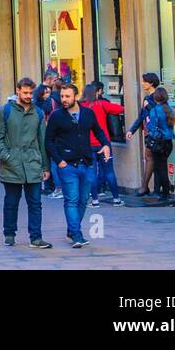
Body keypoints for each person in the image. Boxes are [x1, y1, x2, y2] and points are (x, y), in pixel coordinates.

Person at [44, 82, 111, 248]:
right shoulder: (56, 115)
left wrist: (106, 144)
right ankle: (76, 234)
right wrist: (60, 161)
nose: (64, 99)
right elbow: (48, 140)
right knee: (71, 200)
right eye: (62, 96)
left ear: (75, 96)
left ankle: (72, 229)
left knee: (83, 200)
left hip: (87, 163)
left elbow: (99, 131)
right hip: (68, 166)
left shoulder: (88, 113)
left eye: (67, 96)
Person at [0, 78, 52, 249]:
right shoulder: (5, 111)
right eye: (25, 92)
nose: (28, 96)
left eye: (31, 93)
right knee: (11, 202)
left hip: (33, 163)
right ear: (18, 90)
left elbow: (42, 141)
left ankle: (36, 238)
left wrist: (45, 167)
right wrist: (6, 156)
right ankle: (9, 234)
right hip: (12, 164)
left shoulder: (38, 113)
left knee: (35, 203)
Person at [81, 82, 125, 206]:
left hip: (88, 145)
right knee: (109, 171)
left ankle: (95, 201)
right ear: (95, 94)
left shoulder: (80, 107)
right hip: (103, 144)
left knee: (91, 173)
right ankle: (116, 199)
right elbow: (120, 109)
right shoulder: (102, 104)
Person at [128, 72, 161, 196]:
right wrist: (132, 130)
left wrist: (149, 106)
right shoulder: (147, 98)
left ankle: (145, 186)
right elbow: (142, 116)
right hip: (148, 131)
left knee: (150, 157)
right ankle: (151, 186)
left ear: (151, 83)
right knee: (151, 158)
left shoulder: (156, 96)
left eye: (144, 81)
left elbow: (160, 111)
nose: (142, 83)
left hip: (155, 132)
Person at [147, 86, 175, 200]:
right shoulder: (168, 109)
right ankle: (162, 191)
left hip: (159, 142)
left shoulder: (155, 110)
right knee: (162, 165)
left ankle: (165, 192)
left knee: (160, 168)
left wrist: (148, 122)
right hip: (168, 142)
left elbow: (152, 128)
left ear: (156, 97)